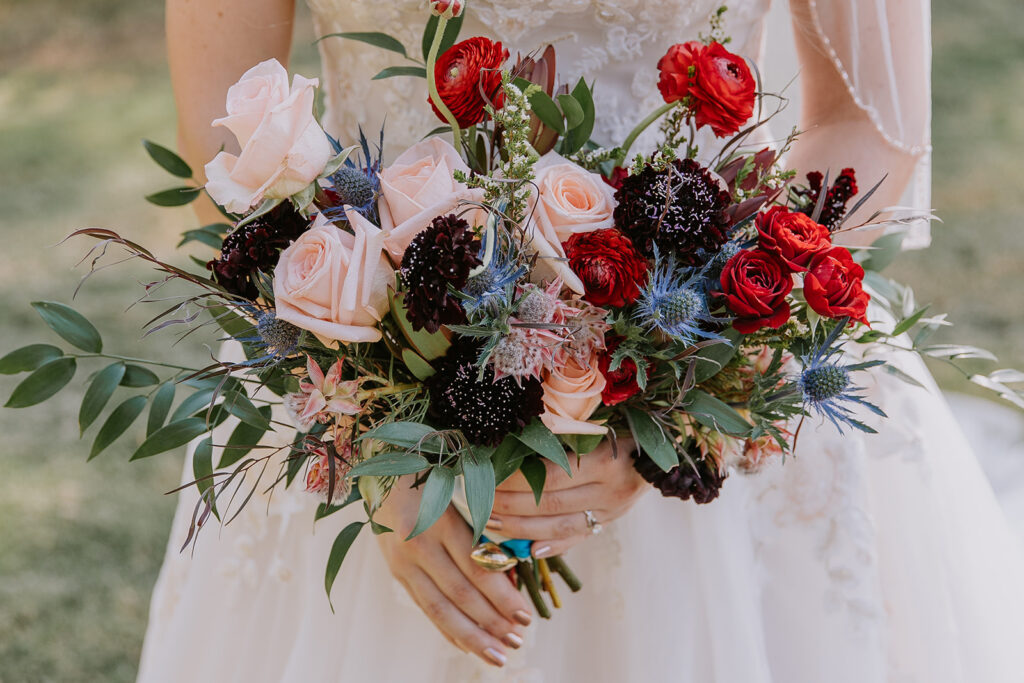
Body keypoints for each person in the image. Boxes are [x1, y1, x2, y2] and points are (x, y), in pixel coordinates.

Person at [138, 1, 1024, 681]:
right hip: (370, 385)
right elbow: (223, 131)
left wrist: (681, 398)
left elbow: (868, 128)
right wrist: (370, 428)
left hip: (700, 353)